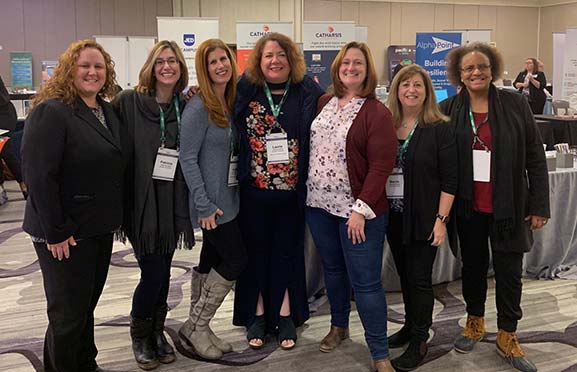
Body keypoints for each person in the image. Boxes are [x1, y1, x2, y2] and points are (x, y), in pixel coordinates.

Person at [441, 42, 550, 372]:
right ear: (458, 74)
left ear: (493, 69)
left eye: (482, 66)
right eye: (469, 68)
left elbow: (535, 155)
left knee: (509, 274)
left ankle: (508, 334)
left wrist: (539, 205)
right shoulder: (448, 109)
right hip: (468, 208)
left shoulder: (515, 104)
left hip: (509, 207)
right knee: (472, 268)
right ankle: (474, 321)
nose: (476, 72)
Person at [21, 39, 125, 372]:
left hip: (96, 227)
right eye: (85, 66)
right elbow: (39, 176)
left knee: (84, 306)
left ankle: (85, 364)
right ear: (69, 70)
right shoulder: (52, 110)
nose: (93, 72)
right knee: (67, 314)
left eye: (99, 66)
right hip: (63, 231)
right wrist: (57, 231)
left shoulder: (106, 110)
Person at [305, 41, 397, 372]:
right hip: (318, 206)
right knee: (333, 271)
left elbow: (382, 165)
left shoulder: (377, 112)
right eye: (346, 63)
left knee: (366, 282)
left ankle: (379, 353)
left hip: (359, 212)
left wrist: (360, 209)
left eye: (358, 63)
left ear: (367, 69)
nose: (351, 68)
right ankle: (339, 327)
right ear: (337, 68)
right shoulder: (324, 102)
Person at [232, 32, 324, 350]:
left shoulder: (307, 91)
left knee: (287, 251)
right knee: (256, 252)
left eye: (282, 54)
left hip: (291, 194)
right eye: (269, 55)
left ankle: (285, 314)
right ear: (259, 60)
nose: (275, 60)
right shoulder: (245, 89)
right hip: (252, 192)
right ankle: (257, 313)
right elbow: (217, 105)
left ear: (292, 59)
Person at [112, 40, 194, 370]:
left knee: (162, 271)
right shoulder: (128, 101)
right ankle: (139, 333)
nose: (167, 66)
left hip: (171, 202)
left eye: (173, 61)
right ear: (150, 65)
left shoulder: (184, 106)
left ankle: (157, 333)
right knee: (154, 271)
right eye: (160, 61)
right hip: (140, 203)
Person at [178, 39, 247, 360]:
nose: (220, 65)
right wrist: (203, 204)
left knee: (210, 260)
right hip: (212, 205)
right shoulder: (199, 107)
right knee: (235, 259)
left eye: (224, 59)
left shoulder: (228, 101)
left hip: (229, 199)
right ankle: (197, 325)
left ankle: (198, 328)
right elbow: (187, 158)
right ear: (204, 70)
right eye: (212, 62)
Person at [384, 64, 457, 371]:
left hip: (426, 218)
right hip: (394, 218)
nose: (411, 90)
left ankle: (419, 340)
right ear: (396, 90)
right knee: (405, 277)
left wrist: (441, 220)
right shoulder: (387, 124)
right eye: (405, 85)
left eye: (417, 85)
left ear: (427, 91)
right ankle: (410, 326)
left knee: (420, 279)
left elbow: (450, 180)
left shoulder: (439, 127)